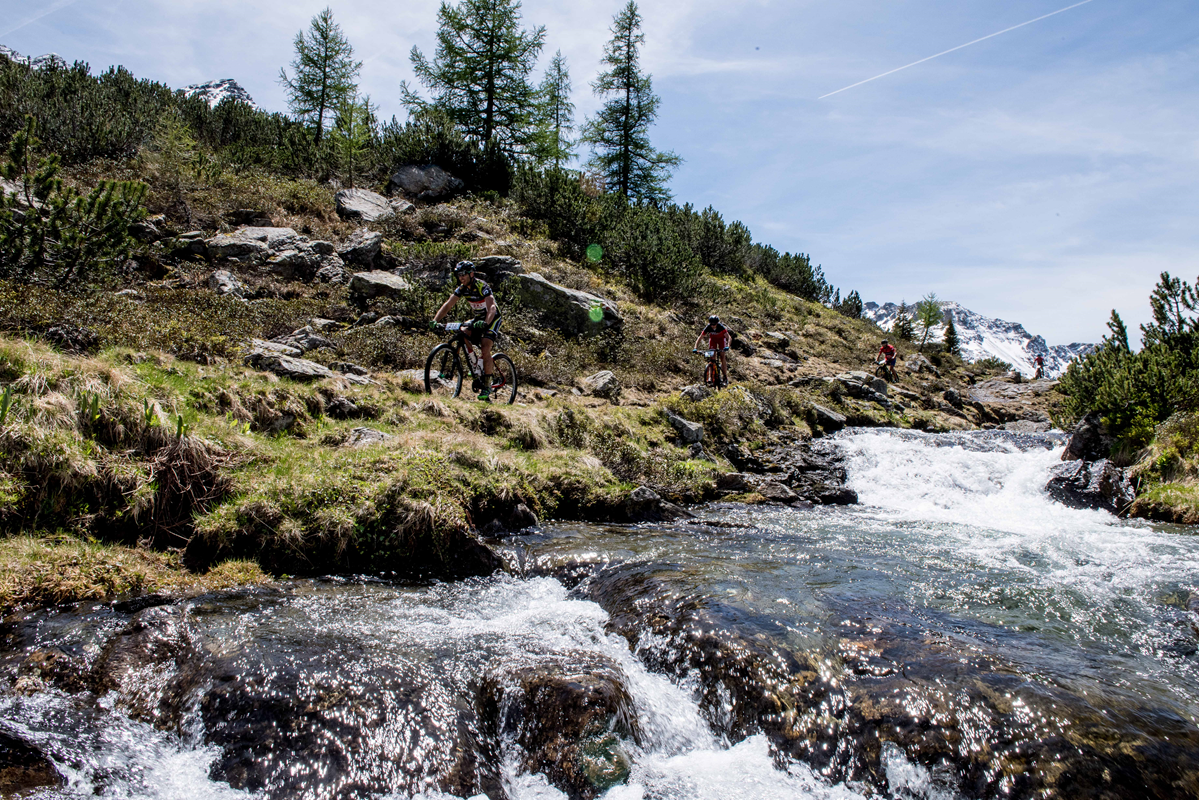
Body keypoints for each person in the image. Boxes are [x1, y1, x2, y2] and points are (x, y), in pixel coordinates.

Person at [432, 261, 502, 401]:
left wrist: (486, 323)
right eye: (459, 275)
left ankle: (487, 386)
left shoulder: (482, 286)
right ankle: (476, 366)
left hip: (492, 318)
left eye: (463, 274)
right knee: (462, 332)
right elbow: (448, 305)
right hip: (478, 318)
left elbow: (492, 307)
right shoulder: (462, 288)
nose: (461, 277)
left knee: (485, 347)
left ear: (471, 274)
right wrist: (435, 320)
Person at [694, 315, 731, 386]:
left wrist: (728, 346)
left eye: (714, 324)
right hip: (713, 340)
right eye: (711, 324)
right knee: (711, 357)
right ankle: (710, 378)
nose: (712, 326)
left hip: (721, 341)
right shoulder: (708, 327)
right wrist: (695, 347)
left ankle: (725, 377)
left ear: (717, 323)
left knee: (722, 356)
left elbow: (729, 337)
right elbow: (700, 337)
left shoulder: (721, 327)